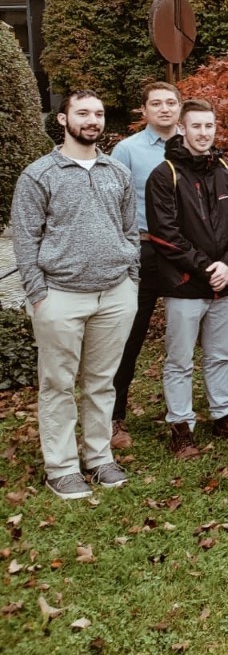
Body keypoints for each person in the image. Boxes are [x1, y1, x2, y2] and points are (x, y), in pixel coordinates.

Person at [11, 91, 138, 499]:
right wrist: (38, 294)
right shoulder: (39, 175)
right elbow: (26, 239)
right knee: (59, 384)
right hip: (60, 296)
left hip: (115, 293)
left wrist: (131, 281)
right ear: (63, 119)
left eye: (98, 114)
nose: (92, 120)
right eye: (82, 113)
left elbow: (129, 230)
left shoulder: (116, 171)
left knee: (102, 383)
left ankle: (99, 459)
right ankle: (62, 467)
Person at [147, 98, 228, 459]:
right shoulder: (165, 175)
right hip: (184, 284)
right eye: (196, 126)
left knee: (220, 355)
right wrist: (204, 267)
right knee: (180, 360)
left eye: (209, 126)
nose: (203, 133)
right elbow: (164, 234)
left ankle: (224, 416)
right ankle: (181, 428)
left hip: (224, 285)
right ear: (181, 128)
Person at [109, 80, 181, 448]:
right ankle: (114, 417)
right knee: (130, 337)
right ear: (145, 110)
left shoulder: (195, 143)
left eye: (171, 102)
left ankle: (182, 416)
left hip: (187, 255)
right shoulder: (127, 151)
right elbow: (111, 204)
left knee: (185, 338)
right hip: (144, 251)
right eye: (157, 103)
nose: (165, 109)